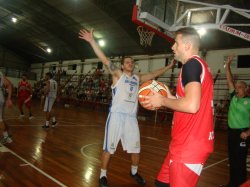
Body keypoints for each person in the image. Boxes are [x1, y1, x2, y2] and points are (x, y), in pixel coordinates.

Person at [79, 28, 176, 187]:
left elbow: (152, 74)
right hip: (116, 116)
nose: (131, 63)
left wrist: (168, 67)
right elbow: (104, 59)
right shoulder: (117, 74)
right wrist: (91, 41)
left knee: (136, 150)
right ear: (122, 66)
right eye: (127, 62)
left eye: (132, 62)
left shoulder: (138, 78)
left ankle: (134, 172)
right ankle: (103, 175)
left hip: (131, 118)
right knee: (109, 149)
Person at [141, 27, 214, 187]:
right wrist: (170, 97)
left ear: (187, 46)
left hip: (189, 146)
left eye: (176, 42)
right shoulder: (198, 65)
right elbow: (191, 102)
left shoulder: (191, 65)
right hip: (183, 142)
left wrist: (162, 101)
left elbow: (191, 106)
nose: (172, 47)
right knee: (161, 183)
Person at [219, 55, 250, 187]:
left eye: (240, 87)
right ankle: (232, 183)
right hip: (232, 133)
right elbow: (230, 80)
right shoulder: (233, 98)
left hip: (243, 134)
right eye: (236, 87)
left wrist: (248, 132)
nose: (237, 89)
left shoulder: (249, 101)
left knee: (240, 160)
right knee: (232, 159)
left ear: (246, 89)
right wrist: (228, 65)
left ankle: (241, 183)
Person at [0, 72, 13, 144]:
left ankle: (6, 137)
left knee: (0, 120)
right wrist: (9, 98)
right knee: (1, 118)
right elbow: (9, 85)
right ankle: (8, 133)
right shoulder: (1, 74)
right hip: (1, 97)